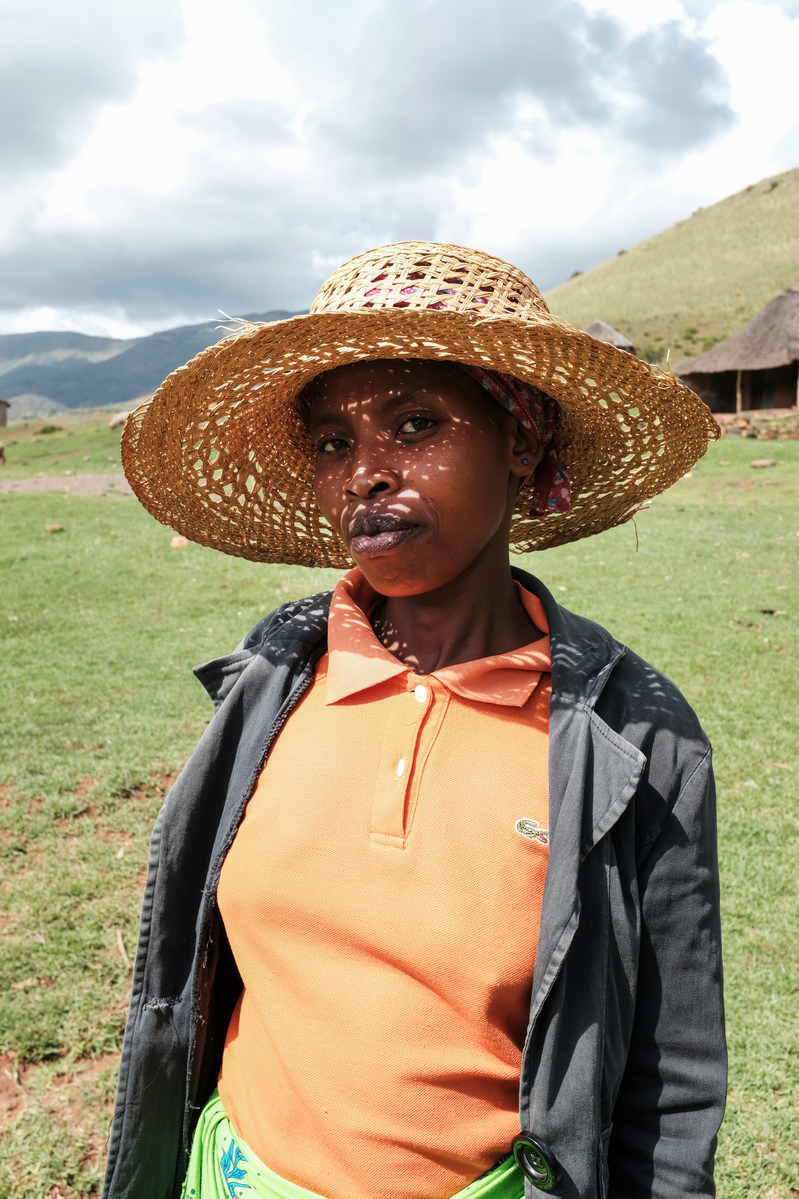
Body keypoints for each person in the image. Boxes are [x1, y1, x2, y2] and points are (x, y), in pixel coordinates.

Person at [104, 242, 726, 1199]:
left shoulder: (633, 737)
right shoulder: (272, 684)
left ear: (521, 441)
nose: (364, 473)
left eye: (416, 422)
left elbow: (671, 1079)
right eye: (331, 443)